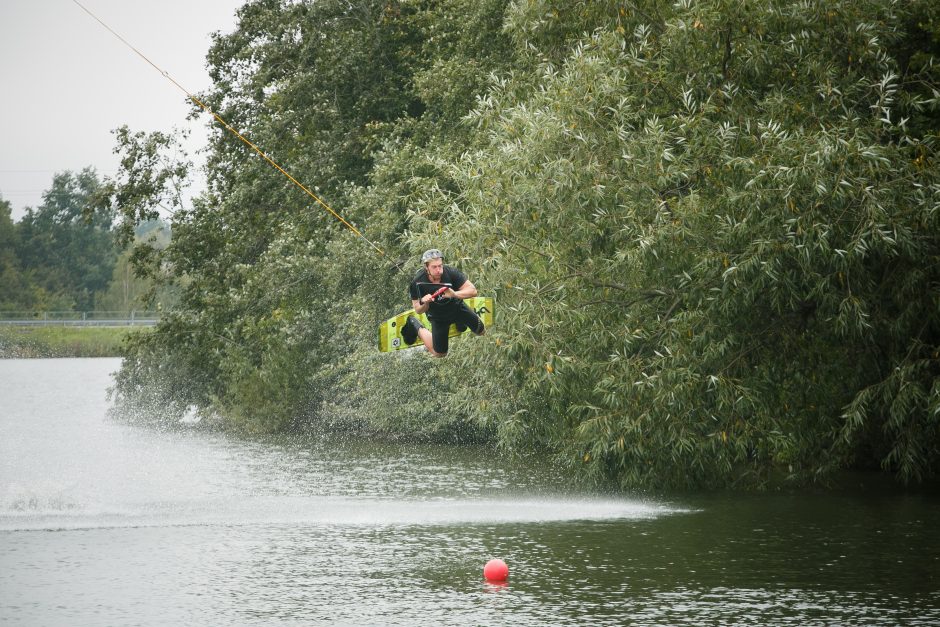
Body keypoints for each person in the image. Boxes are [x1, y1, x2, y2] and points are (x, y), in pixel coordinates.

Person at [401, 249, 485, 357]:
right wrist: (425, 303)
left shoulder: (451, 272)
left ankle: (460, 324)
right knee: (440, 354)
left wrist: (454, 294)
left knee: (481, 332)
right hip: (438, 318)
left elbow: (473, 291)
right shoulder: (417, 282)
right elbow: (418, 309)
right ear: (426, 267)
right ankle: (414, 324)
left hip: (458, 309)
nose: (439, 270)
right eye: (434, 267)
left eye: (440, 266)